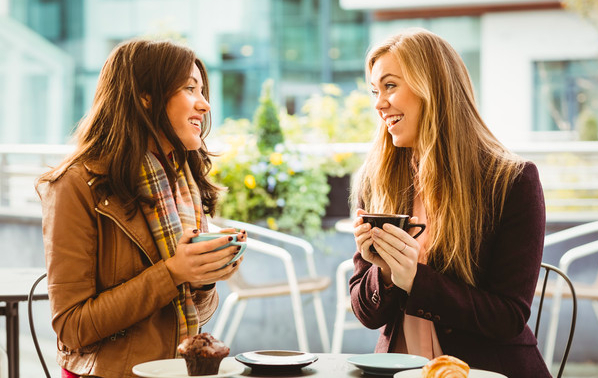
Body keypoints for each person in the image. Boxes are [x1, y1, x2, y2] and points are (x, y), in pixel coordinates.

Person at [36, 39, 245, 378]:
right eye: (190, 89)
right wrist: (173, 273)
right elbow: (71, 328)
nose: (205, 104)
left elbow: (192, 312)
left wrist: (204, 277)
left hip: (176, 370)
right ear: (145, 97)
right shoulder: (76, 185)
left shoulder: (180, 179)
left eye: (203, 91)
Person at [350, 28, 550, 378]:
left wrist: (415, 279)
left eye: (391, 85)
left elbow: (508, 317)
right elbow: (366, 314)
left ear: (433, 88)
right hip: (399, 370)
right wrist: (383, 271)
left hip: (486, 371)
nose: (379, 103)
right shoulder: (378, 179)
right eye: (375, 91)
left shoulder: (512, 181)